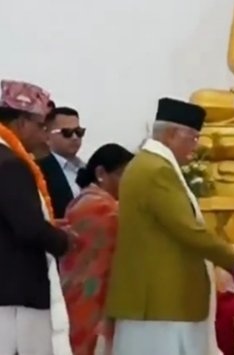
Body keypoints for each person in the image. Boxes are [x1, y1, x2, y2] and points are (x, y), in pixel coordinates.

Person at [105, 97, 234, 355]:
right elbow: (189, 230)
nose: (196, 146)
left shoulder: (149, 164)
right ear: (170, 134)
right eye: (193, 138)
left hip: (159, 299)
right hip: (160, 301)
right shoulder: (156, 170)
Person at [0, 80, 75, 355]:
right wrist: (63, 240)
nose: (45, 137)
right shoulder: (9, 164)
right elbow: (28, 227)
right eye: (41, 126)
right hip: (15, 295)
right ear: (21, 122)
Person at [60, 143, 134, 355]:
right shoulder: (98, 206)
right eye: (124, 175)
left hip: (89, 291)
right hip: (88, 294)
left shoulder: (90, 200)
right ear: (101, 173)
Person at [38, 106, 86, 218]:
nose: (75, 137)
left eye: (79, 132)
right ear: (47, 136)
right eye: (67, 132)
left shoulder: (86, 168)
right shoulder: (40, 170)